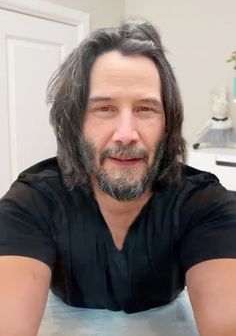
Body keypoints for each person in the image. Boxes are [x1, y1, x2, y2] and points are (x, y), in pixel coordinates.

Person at [0, 20, 236, 336]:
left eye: (145, 109)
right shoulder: (33, 202)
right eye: (105, 109)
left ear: (167, 124)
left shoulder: (204, 203)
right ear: (75, 124)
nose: (126, 135)